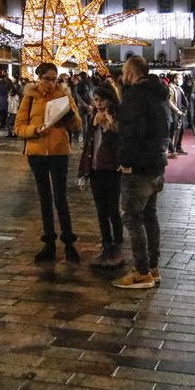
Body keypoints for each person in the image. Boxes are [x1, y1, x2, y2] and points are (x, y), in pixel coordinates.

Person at [16, 62, 83, 263]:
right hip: (36, 152)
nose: (51, 83)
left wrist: (69, 116)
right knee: (44, 197)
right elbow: (19, 127)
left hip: (59, 151)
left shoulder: (63, 94)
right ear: (39, 78)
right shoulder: (30, 97)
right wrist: (34, 130)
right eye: (47, 79)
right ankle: (49, 242)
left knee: (60, 197)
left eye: (54, 79)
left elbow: (77, 124)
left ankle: (69, 242)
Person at [113, 56, 170, 289]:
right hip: (157, 162)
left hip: (138, 166)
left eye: (125, 71)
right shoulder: (159, 94)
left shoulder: (135, 96)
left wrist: (126, 161)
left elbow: (132, 132)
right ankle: (153, 267)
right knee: (149, 216)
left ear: (130, 72)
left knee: (132, 216)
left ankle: (141, 272)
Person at [80, 84, 125, 268]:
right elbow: (89, 145)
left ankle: (117, 247)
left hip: (112, 169)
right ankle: (106, 245)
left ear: (111, 100)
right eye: (96, 100)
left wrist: (108, 125)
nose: (98, 104)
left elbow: (120, 140)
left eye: (102, 100)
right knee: (100, 210)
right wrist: (83, 171)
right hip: (95, 168)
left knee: (113, 209)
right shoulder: (93, 118)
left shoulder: (117, 117)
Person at [166, 75, 187, 157]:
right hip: (174, 113)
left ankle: (178, 147)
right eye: (179, 78)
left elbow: (182, 100)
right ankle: (171, 150)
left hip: (180, 112)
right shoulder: (170, 88)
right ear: (175, 79)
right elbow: (169, 101)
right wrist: (176, 110)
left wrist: (182, 110)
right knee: (172, 131)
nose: (181, 80)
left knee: (181, 130)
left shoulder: (179, 88)